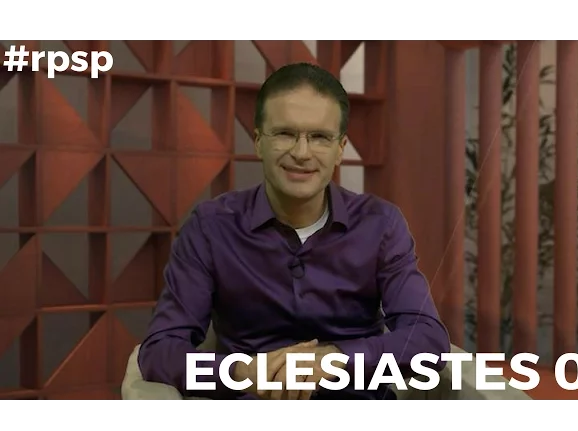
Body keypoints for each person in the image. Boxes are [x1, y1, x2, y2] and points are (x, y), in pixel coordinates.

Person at [138, 62, 450, 400]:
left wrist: (335, 360)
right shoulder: (211, 227)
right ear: (258, 142)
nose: (301, 153)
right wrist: (242, 372)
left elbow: (428, 341)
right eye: (285, 134)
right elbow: (161, 350)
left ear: (340, 149)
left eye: (320, 137)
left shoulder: (380, 224)